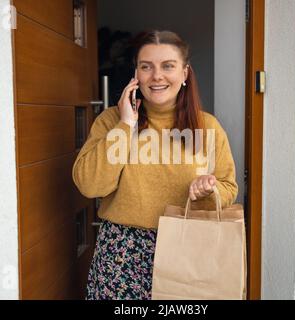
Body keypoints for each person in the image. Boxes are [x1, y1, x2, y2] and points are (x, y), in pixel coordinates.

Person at [72, 30, 238, 300]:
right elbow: (90, 185)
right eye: (146, 66)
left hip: (189, 249)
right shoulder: (110, 121)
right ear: (136, 73)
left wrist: (209, 190)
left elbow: (228, 188)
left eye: (168, 66)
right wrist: (126, 125)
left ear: (185, 73)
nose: (156, 76)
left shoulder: (208, 127)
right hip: (121, 254)